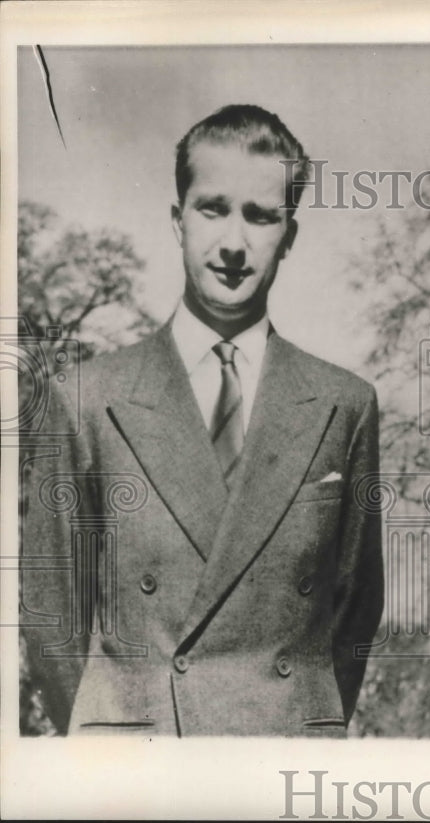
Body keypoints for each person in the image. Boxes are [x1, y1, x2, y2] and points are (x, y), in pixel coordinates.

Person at [20, 105, 383, 737]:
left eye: (262, 215)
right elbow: (52, 616)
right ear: (177, 220)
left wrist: (305, 726)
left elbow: (353, 611)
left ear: (290, 235)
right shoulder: (85, 399)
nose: (235, 244)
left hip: (284, 759)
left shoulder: (343, 404)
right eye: (213, 208)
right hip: (139, 770)